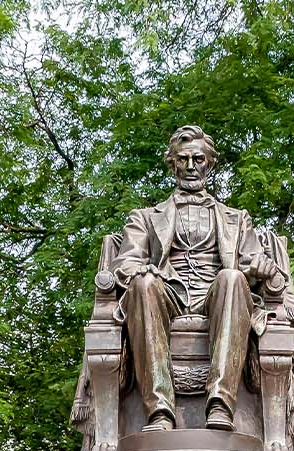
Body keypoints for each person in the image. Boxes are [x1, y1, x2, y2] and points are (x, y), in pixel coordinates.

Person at [110, 125, 285, 432]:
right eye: (183, 159)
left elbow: (252, 262)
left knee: (231, 277)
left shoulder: (236, 218)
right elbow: (125, 262)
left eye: (198, 159)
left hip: (217, 297)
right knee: (143, 284)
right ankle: (159, 412)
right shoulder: (146, 217)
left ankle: (220, 404)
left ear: (210, 163)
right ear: (172, 163)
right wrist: (142, 270)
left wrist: (262, 268)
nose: (191, 167)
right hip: (167, 294)